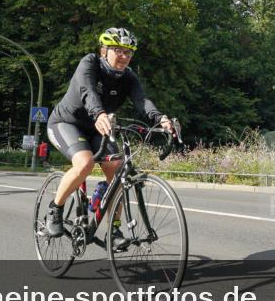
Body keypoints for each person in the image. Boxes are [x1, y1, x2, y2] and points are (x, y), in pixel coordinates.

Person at [43, 28, 177, 239]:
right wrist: (99, 114)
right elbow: (87, 90)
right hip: (66, 123)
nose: (124, 56)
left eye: (129, 52)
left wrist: (161, 119)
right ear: (104, 50)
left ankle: (113, 230)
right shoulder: (90, 63)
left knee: (118, 170)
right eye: (118, 50)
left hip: (99, 127)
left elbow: (141, 101)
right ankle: (55, 210)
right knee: (85, 164)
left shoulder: (128, 77)